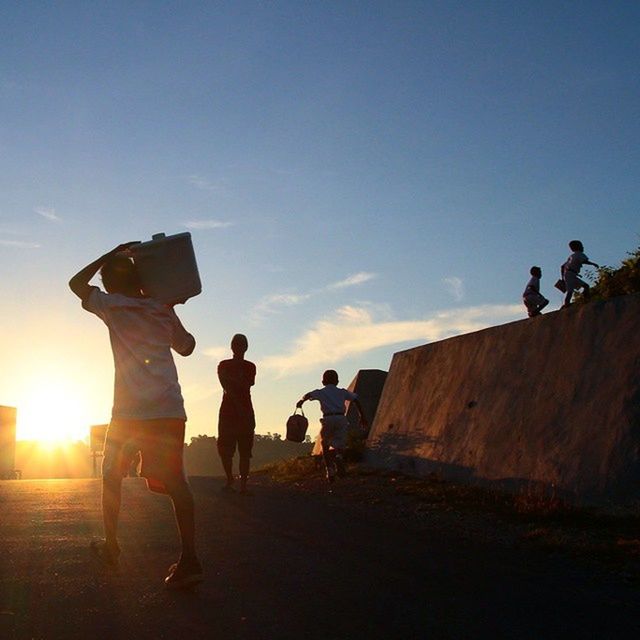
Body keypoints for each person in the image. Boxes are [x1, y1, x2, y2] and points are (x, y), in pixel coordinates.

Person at [69, 243, 203, 590]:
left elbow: (75, 283)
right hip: (168, 409)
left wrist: (110, 251)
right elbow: (187, 347)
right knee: (177, 483)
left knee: (112, 475)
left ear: (111, 284)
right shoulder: (160, 308)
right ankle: (189, 558)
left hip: (129, 414)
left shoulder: (111, 305)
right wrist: (169, 306)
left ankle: (111, 545)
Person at [296, 370, 368, 483]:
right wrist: (362, 416)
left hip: (328, 419)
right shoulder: (342, 392)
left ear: (323, 381)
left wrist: (301, 401)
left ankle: (329, 471)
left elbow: (307, 395)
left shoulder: (321, 392)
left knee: (325, 444)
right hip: (341, 419)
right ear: (337, 381)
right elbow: (356, 400)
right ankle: (339, 457)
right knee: (340, 443)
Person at [217, 334, 256, 495]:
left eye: (241, 345)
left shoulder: (249, 366)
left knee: (244, 451)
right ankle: (231, 479)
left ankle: (242, 485)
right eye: (236, 345)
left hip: (241, 411)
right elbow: (228, 384)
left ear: (245, 348)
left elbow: (244, 383)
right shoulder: (224, 365)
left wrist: (232, 383)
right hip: (233, 411)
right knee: (226, 450)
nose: (239, 348)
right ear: (232, 347)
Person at [561, 240, 600, 307]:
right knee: (570, 291)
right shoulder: (579, 254)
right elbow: (584, 261)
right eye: (582, 246)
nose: (583, 247)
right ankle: (567, 305)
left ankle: (585, 300)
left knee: (584, 287)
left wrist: (563, 278)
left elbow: (562, 267)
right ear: (578, 247)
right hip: (570, 275)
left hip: (569, 274)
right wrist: (593, 264)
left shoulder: (572, 256)